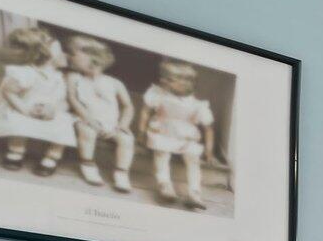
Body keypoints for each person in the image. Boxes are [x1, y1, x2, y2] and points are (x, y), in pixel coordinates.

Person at [0, 25, 73, 175]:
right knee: (18, 120)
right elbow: (9, 92)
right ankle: (16, 150)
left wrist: (55, 109)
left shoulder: (59, 77)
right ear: (44, 54)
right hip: (23, 106)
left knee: (65, 123)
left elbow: (62, 100)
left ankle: (52, 156)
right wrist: (24, 109)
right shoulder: (27, 73)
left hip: (48, 111)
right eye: (60, 51)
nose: (65, 55)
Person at [136, 59, 215, 210]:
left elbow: (208, 128)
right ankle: (165, 184)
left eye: (189, 80)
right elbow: (145, 112)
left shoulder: (197, 105)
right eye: (177, 79)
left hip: (186, 137)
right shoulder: (158, 95)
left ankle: (195, 192)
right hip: (163, 133)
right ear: (164, 81)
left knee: (193, 159)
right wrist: (141, 132)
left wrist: (209, 151)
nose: (185, 83)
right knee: (162, 154)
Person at [64, 36, 134, 191]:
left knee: (127, 139)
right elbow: (72, 99)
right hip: (84, 118)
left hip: (111, 123)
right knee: (86, 131)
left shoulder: (115, 83)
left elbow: (128, 106)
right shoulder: (74, 77)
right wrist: (89, 120)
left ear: (93, 58)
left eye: (74, 54)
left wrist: (122, 125)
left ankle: (121, 173)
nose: (70, 57)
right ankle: (87, 163)